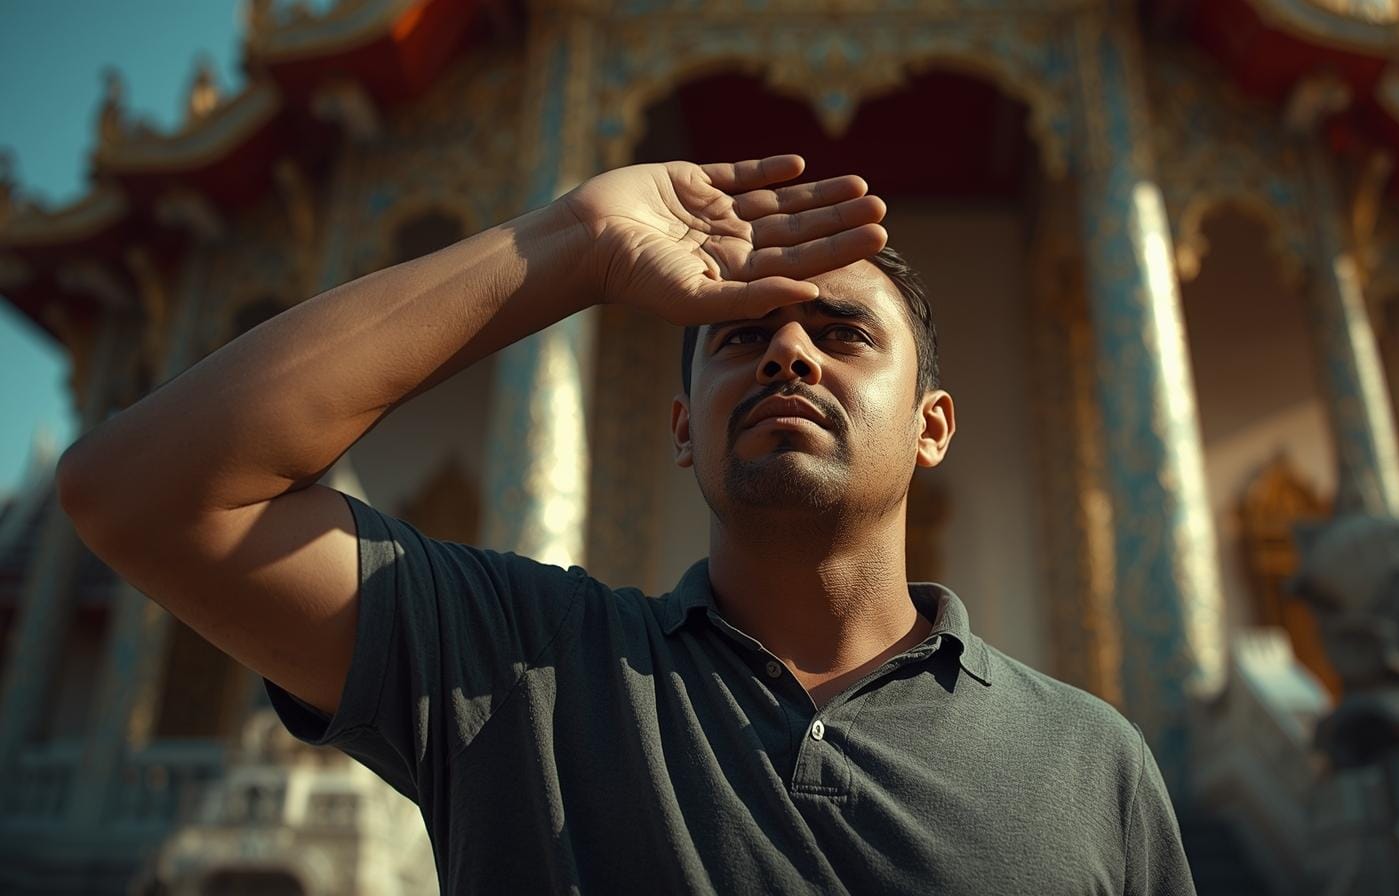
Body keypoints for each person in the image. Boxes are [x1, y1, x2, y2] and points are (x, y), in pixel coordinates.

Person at [58, 154, 1197, 894]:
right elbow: (140, 491)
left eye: (842, 334)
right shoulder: (524, 675)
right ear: (684, 430)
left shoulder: (1092, 763)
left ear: (932, 426)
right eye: (740, 336)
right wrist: (574, 243)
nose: (788, 352)